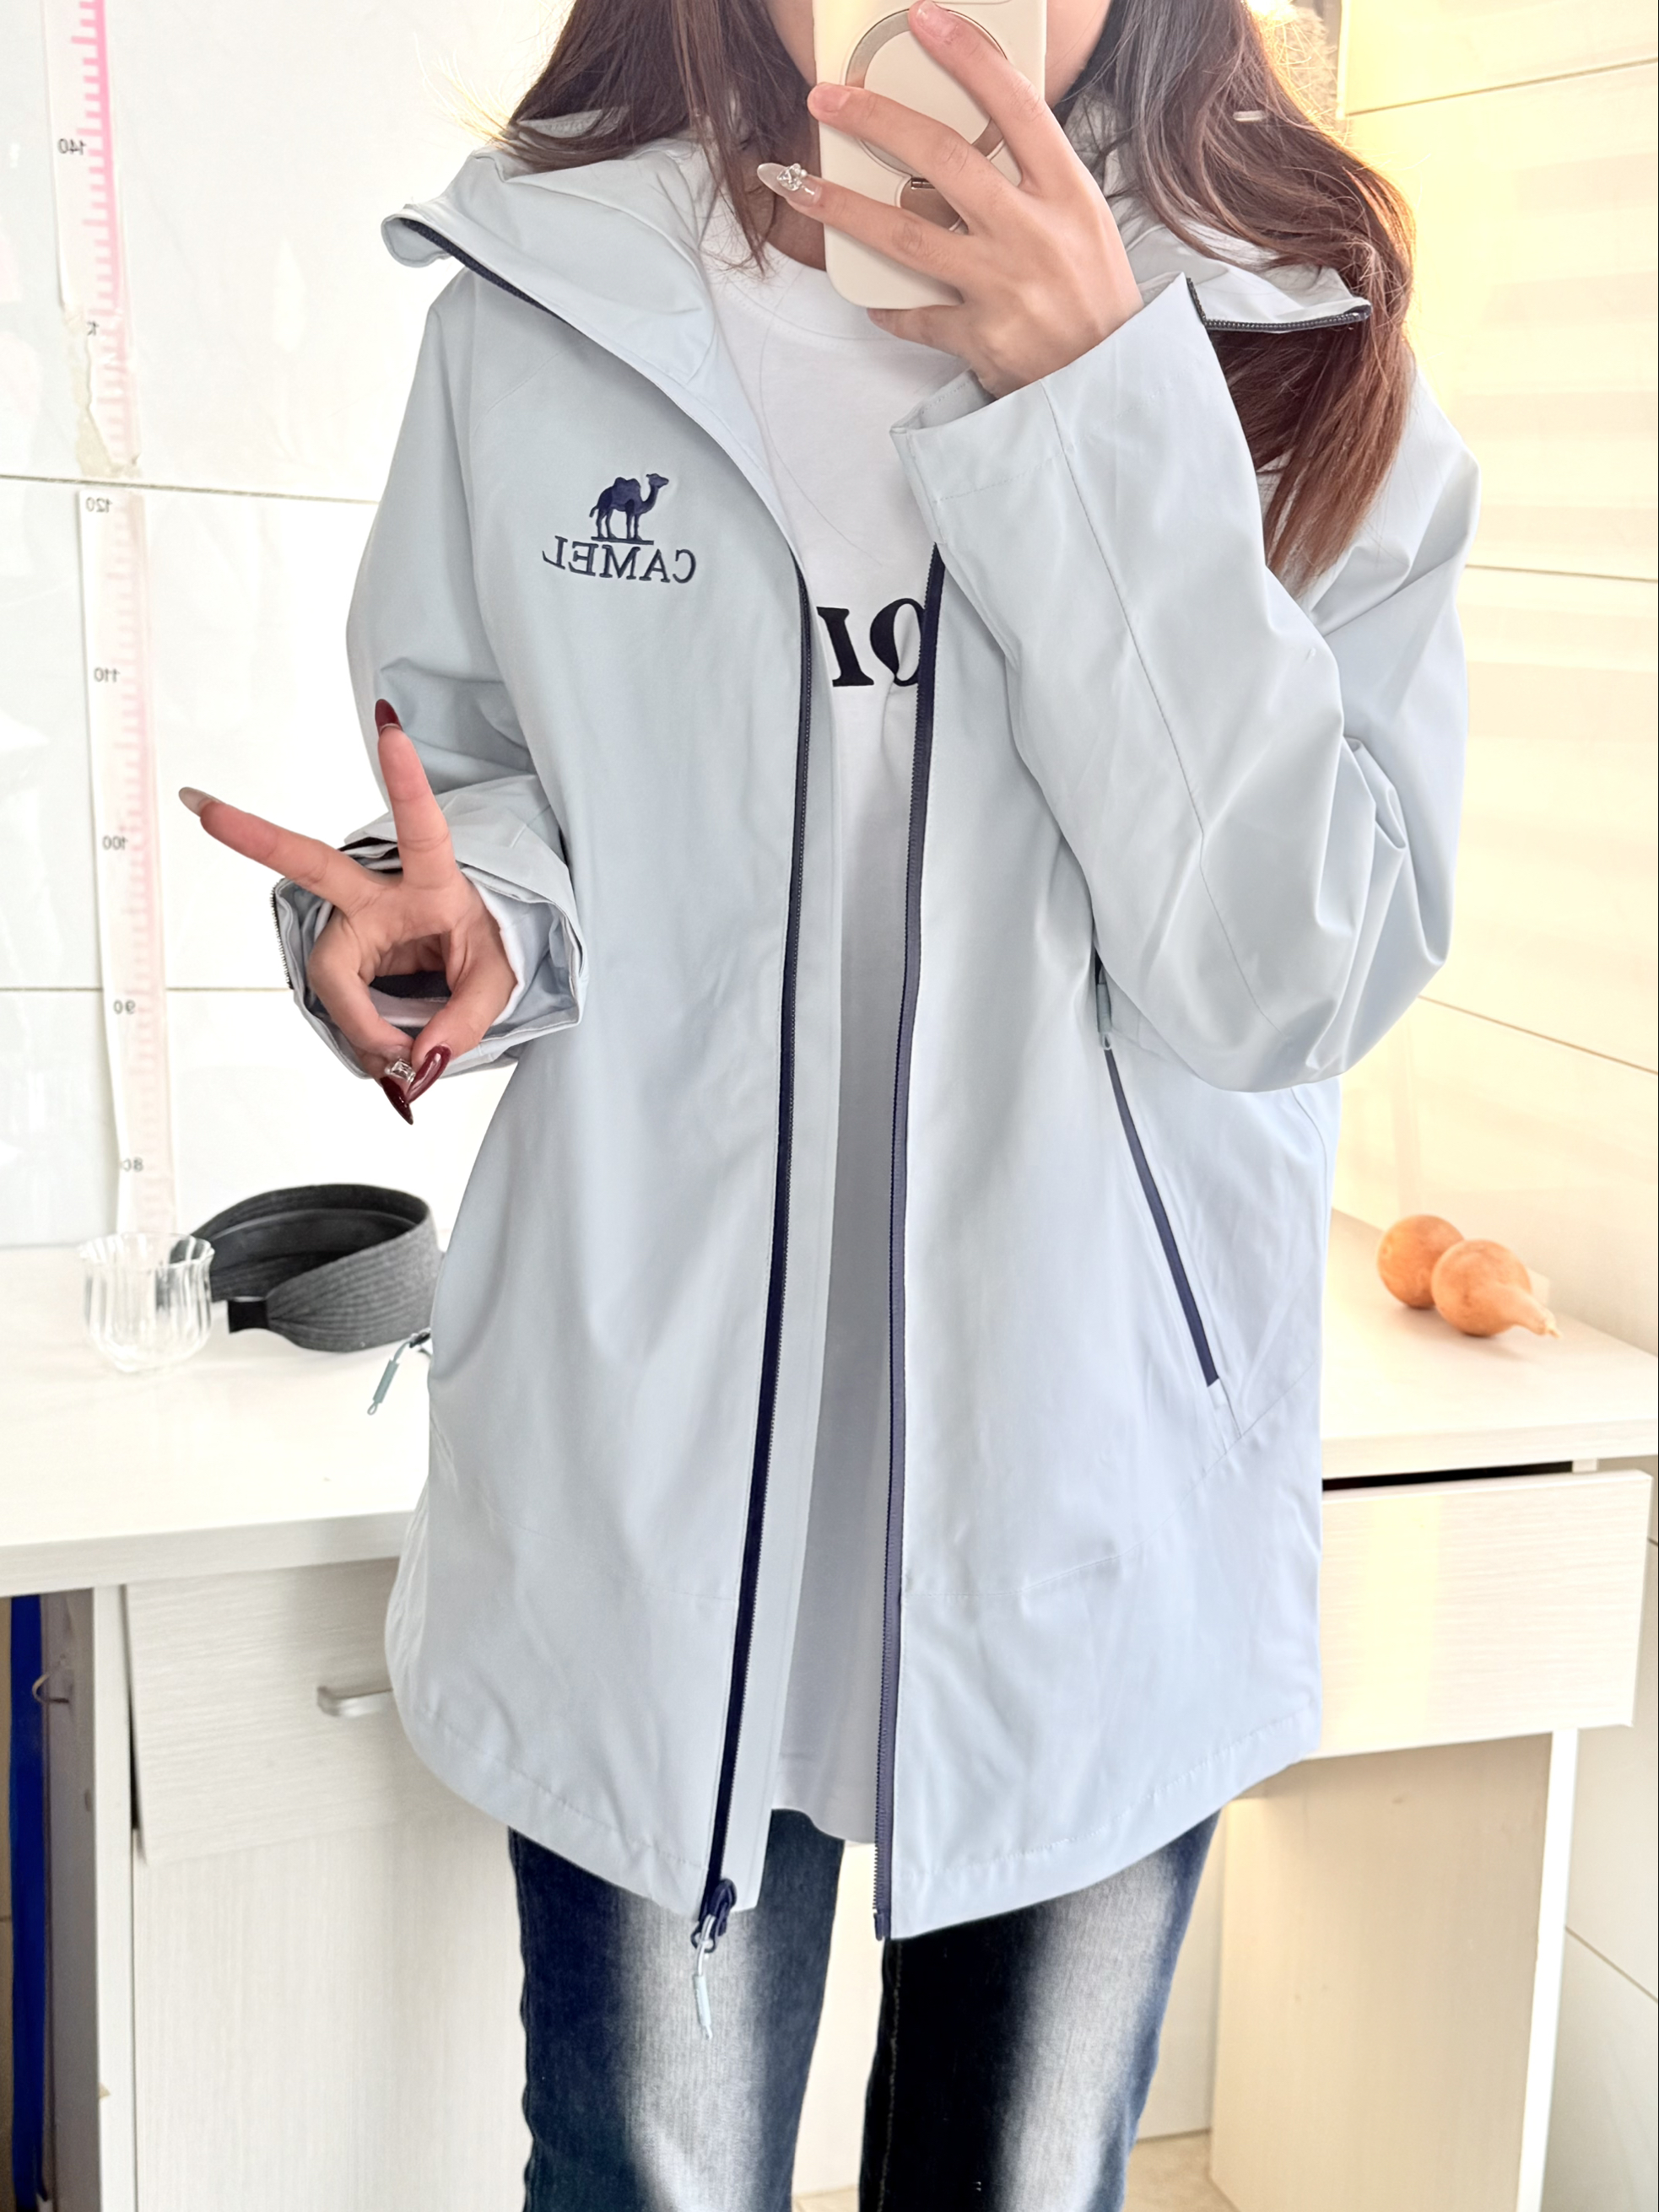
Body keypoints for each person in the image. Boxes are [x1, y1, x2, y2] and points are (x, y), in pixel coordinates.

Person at [181, 0, 1478, 2201]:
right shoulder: (543, 299)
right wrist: (448, 930)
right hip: (654, 1496)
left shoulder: (1295, 338)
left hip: (1094, 1509)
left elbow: (1294, 971)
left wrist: (1099, 400)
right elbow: (473, 788)